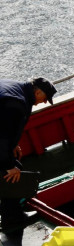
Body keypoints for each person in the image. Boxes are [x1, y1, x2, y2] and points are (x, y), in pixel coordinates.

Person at [0, 78, 56, 230]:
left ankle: (12, 214)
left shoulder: (14, 86)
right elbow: (2, 138)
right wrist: (9, 165)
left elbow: (5, 126)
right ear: (37, 92)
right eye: (45, 98)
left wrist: (13, 143)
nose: (44, 102)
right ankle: (11, 220)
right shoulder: (16, 105)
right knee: (12, 174)